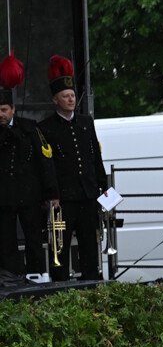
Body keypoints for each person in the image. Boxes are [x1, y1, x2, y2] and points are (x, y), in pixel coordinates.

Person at [38, 56, 105, 282]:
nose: (70, 99)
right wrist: (51, 194)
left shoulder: (86, 122)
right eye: (65, 96)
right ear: (55, 100)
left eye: (73, 96)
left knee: (88, 242)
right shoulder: (46, 127)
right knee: (60, 244)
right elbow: (46, 165)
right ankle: (58, 284)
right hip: (63, 198)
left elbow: (95, 155)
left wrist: (102, 186)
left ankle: (90, 281)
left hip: (87, 194)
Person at [0, 52, 56, 277]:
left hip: (29, 195)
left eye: (4, 110)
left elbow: (45, 160)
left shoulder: (30, 127)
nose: (0, 115)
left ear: (13, 109)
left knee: (34, 237)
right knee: (6, 240)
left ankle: (36, 276)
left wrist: (51, 193)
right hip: (3, 196)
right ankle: (9, 277)